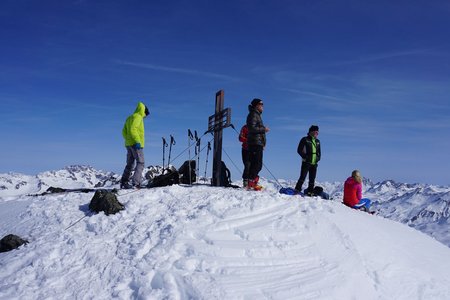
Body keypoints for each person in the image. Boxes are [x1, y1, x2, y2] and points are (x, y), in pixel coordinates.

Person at [120, 102, 150, 189]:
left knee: (130, 164)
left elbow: (123, 131)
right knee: (141, 162)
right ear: (144, 111)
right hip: (136, 144)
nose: (145, 117)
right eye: (145, 115)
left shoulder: (129, 117)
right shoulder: (138, 117)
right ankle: (136, 183)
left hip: (128, 144)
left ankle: (124, 182)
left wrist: (128, 140)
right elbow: (133, 129)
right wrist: (137, 141)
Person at [246, 98, 269, 190]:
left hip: (257, 143)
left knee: (256, 163)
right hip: (255, 143)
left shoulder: (257, 115)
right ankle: (251, 183)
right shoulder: (253, 114)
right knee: (257, 164)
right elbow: (252, 128)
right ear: (256, 105)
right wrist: (264, 129)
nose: (263, 106)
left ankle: (252, 183)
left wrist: (263, 143)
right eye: (261, 104)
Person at [294, 125, 321, 195]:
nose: (317, 133)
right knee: (302, 177)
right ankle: (297, 190)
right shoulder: (305, 139)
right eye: (316, 132)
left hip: (314, 163)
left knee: (312, 179)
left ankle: (310, 192)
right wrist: (305, 157)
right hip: (306, 162)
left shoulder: (318, 141)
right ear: (311, 132)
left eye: (318, 132)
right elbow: (299, 150)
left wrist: (318, 158)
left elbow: (319, 152)